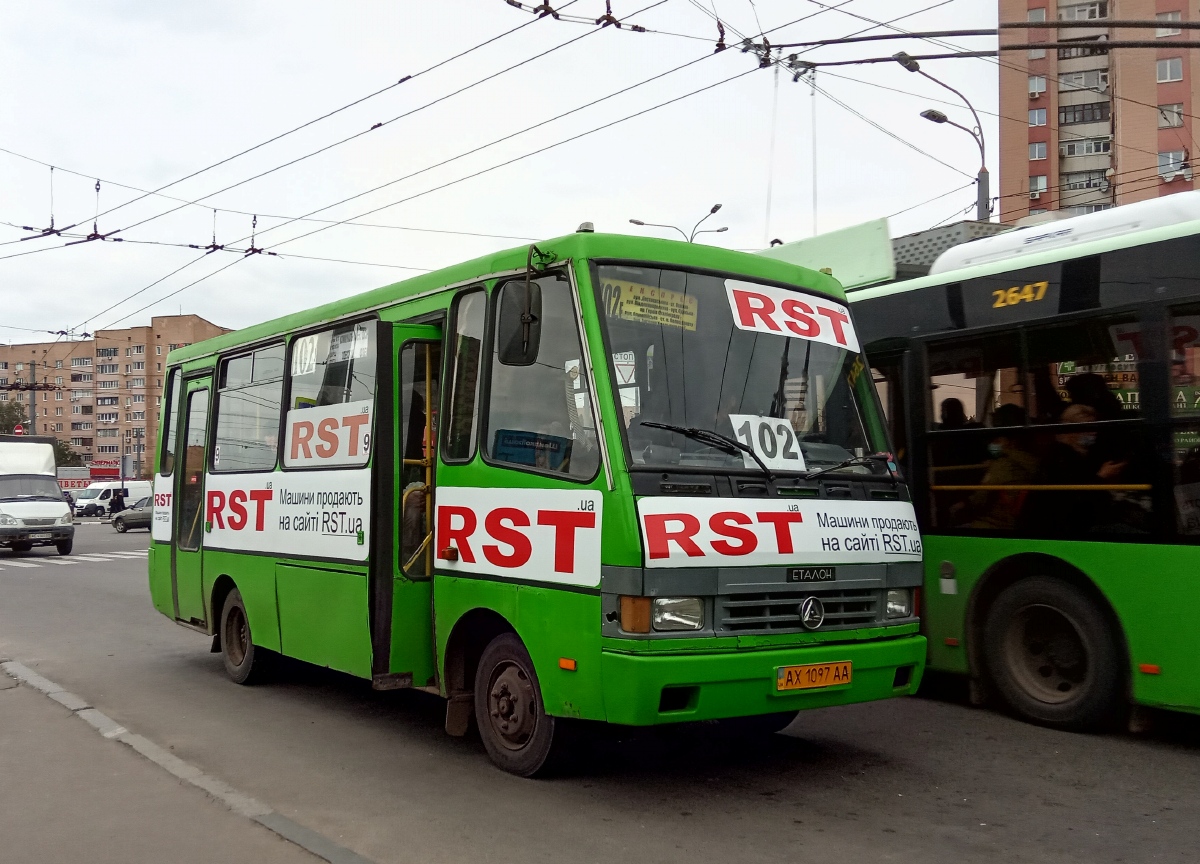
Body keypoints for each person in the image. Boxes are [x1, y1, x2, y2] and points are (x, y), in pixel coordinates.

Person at [952, 403, 1039, 531]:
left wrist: (960, 505)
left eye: (997, 441)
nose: (993, 445)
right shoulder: (1031, 461)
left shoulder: (1003, 465)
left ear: (1011, 442)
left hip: (992, 525)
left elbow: (979, 499)